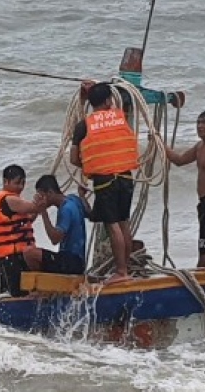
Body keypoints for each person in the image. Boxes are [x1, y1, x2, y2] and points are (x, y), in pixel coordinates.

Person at [70, 82, 138, 282]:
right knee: (124, 222)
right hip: (125, 177)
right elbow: (121, 101)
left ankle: (121, 272)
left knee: (112, 224)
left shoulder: (84, 125)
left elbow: (74, 159)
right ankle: (127, 267)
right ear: (108, 100)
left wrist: (93, 161)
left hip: (105, 181)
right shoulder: (120, 116)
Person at [165, 110, 205, 267]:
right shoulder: (200, 147)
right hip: (204, 203)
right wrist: (160, 144)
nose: (199, 126)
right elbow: (179, 160)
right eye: (198, 122)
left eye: (204, 122)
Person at [0, 164, 42, 296]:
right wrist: (42, 201)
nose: (21, 187)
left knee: (19, 291)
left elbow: (29, 219)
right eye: (17, 183)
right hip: (11, 256)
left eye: (23, 183)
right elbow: (33, 208)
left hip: (19, 254)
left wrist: (37, 207)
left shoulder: (17, 201)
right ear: (6, 182)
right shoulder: (8, 199)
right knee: (16, 293)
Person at [32, 175, 88, 276]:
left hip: (72, 263)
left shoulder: (66, 209)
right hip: (79, 260)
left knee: (30, 253)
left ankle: (44, 288)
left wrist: (43, 212)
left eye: (41, 196)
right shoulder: (73, 199)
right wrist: (82, 196)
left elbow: (55, 239)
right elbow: (90, 214)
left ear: (50, 193)